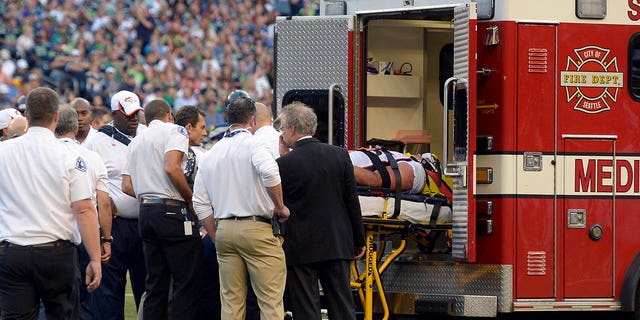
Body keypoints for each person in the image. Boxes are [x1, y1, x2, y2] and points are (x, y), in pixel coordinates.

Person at [0, 87, 102, 319]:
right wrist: (95, 258)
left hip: (13, 250)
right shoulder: (70, 155)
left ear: (27, 115)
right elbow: (84, 208)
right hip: (55, 253)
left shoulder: (3, 151)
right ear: (56, 115)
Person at [192, 97, 290, 320]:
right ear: (252, 120)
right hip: (256, 227)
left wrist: (217, 236)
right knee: (270, 301)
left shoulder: (211, 153)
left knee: (231, 304)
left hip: (225, 228)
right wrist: (280, 206)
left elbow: (200, 202)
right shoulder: (254, 145)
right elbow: (270, 173)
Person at [276, 102, 366, 320]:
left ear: (292, 129)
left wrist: (282, 155)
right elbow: (351, 201)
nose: (282, 134)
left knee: (306, 309)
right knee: (343, 307)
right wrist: (358, 239)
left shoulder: (283, 164)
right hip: (336, 243)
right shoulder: (340, 155)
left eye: (283, 129)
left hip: (300, 247)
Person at [122, 99, 203, 320]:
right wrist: (189, 198)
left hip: (146, 212)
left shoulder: (135, 142)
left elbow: (126, 186)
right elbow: (171, 167)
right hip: (172, 210)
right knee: (185, 281)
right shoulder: (175, 130)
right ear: (169, 115)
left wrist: (149, 190)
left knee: (155, 284)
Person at [83, 90, 147, 320]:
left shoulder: (147, 135)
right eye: (128, 114)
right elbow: (87, 182)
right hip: (114, 226)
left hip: (144, 222)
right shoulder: (96, 142)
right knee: (109, 290)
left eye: (136, 113)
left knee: (148, 288)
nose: (134, 119)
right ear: (114, 114)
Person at [55, 107, 113, 319]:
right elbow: (102, 203)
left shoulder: (44, 154)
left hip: (53, 236)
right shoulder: (92, 157)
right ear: (74, 127)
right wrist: (106, 239)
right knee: (85, 302)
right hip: (85, 234)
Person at [174, 105, 218, 320]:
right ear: (189, 127)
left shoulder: (200, 155)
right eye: (202, 127)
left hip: (192, 229)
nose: (205, 132)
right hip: (185, 229)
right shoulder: (192, 156)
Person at [349, 148, 427, 194]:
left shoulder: (419, 172)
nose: (419, 154)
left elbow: (377, 180)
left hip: (341, 169)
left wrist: (341, 165)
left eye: (425, 157)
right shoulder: (402, 157)